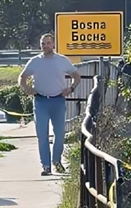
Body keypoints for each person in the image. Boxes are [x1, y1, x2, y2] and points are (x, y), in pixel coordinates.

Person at [18, 33, 81, 176]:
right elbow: (22, 78)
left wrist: (70, 89)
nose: (46, 46)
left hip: (58, 100)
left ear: (53, 44)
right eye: (43, 44)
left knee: (59, 134)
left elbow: (76, 77)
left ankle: (57, 161)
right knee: (42, 135)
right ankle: (46, 165)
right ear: (40, 46)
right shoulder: (35, 61)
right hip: (41, 101)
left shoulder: (62, 60)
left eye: (48, 43)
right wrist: (28, 89)